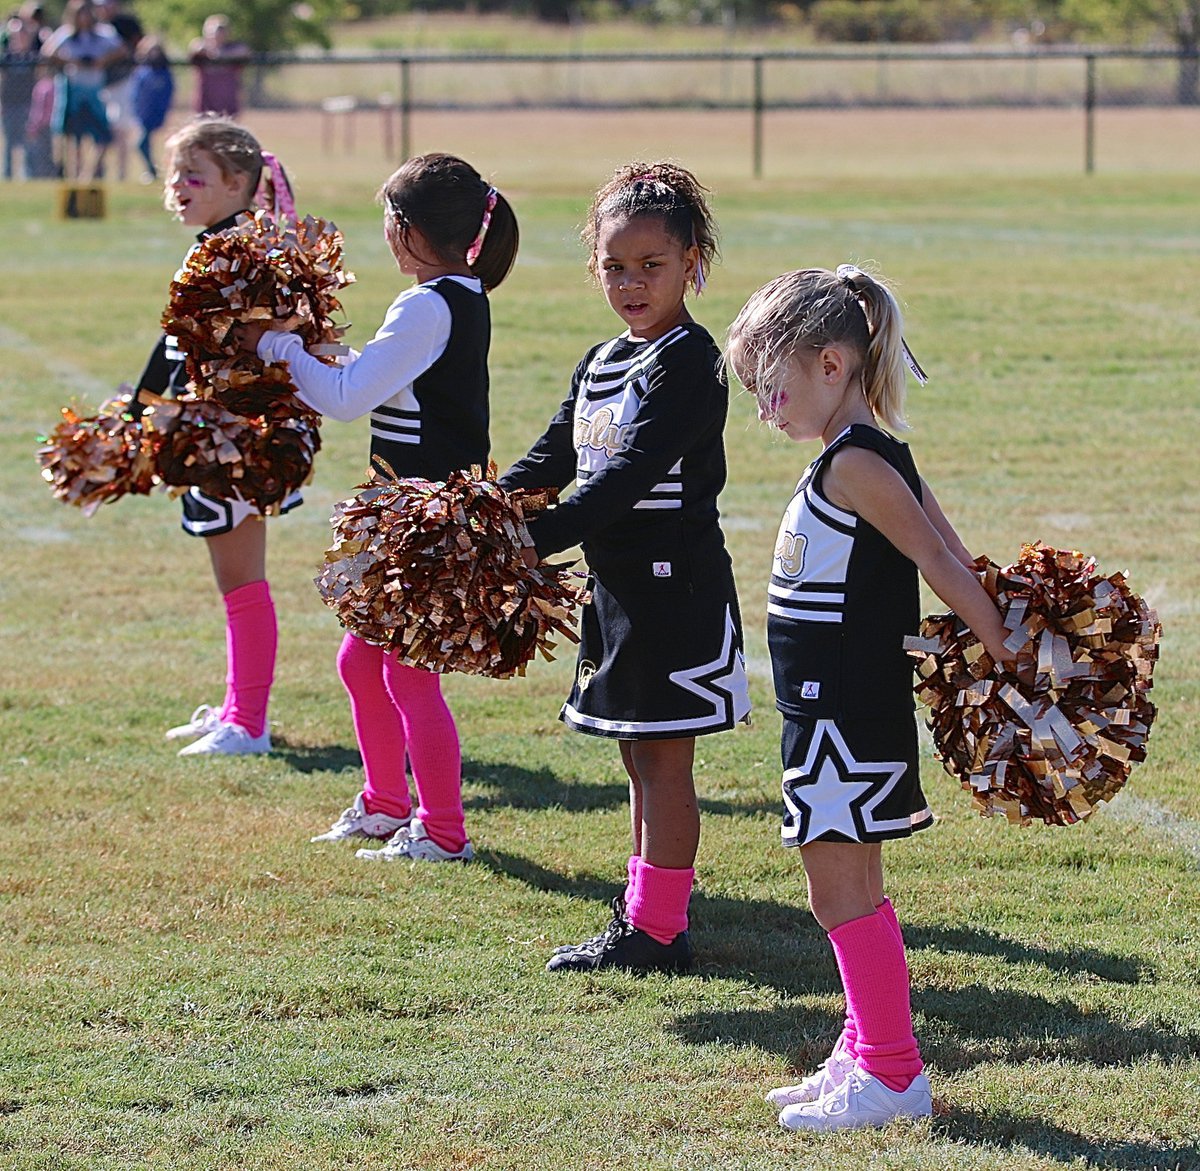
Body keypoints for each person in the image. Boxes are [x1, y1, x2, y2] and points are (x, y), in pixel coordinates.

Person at [724, 264, 1013, 1132]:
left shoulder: (856, 463)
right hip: (829, 713)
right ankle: (864, 1049)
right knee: (850, 884)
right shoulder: (862, 455)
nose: (764, 407)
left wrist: (1005, 646)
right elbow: (949, 545)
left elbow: (938, 562)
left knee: (836, 890)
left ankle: (893, 1073)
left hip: (844, 718)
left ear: (832, 364)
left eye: (770, 385)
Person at [499, 162, 751, 975]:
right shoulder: (601, 359)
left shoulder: (689, 362)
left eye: (653, 266)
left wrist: (527, 543)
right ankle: (645, 918)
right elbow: (550, 459)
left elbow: (624, 479)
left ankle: (659, 930)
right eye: (615, 267)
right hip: (617, 590)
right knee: (635, 754)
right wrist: (475, 513)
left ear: (693, 264)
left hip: (675, 592)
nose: (631, 283)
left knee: (663, 758)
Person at [240, 153, 519, 863]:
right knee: (362, 666)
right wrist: (326, 353)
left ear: (408, 231)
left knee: (405, 672)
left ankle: (444, 829)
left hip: (423, 517)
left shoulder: (427, 304)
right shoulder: (456, 294)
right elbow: (388, 381)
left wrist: (278, 346)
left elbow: (344, 400)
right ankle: (386, 804)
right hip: (404, 511)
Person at [134, 114, 297, 757]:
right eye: (174, 175)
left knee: (242, 580)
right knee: (233, 580)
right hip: (214, 436)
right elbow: (173, 343)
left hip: (237, 439)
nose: (177, 186)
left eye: (193, 176)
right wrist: (140, 402)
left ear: (237, 182)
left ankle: (249, 723)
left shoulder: (240, 250)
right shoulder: (214, 244)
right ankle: (235, 706)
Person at [40, 0, 123, 180]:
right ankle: (73, 175)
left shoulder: (103, 33)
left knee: (102, 134)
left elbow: (121, 50)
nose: (84, 17)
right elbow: (48, 51)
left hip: (94, 90)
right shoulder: (66, 34)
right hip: (73, 90)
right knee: (73, 135)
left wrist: (102, 60)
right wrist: (70, 60)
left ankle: (90, 173)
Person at [95, 0, 142, 181]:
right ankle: (97, 171)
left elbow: (135, 47)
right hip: (99, 85)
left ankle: (122, 173)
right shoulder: (96, 27)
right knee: (103, 130)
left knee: (121, 128)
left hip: (122, 81)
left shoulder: (125, 23)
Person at [129, 35, 172, 180]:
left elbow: (168, 93)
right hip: (143, 113)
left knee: (145, 143)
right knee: (141, 144)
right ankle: (152, 170)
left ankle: (154, 171)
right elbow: (135, 93)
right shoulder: (141, 71)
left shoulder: (164, 73)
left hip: (156, 112)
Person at [188, 15, 248, 117]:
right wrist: (211, 52)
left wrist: (221, 54)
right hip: (205, 106)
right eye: (213, 31)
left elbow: (244, 51)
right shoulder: (202, 51)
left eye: (221, 30)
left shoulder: (234, 49)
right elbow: (194, 47)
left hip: (228, 107)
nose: (217, 34)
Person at [1, 15, 38, 179]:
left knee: (27, 143)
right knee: (9, 142)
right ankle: (7, 175)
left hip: (28, 105)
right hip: (8, 105)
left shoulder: (33, 58)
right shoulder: (5, 59)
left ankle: (27, 176)